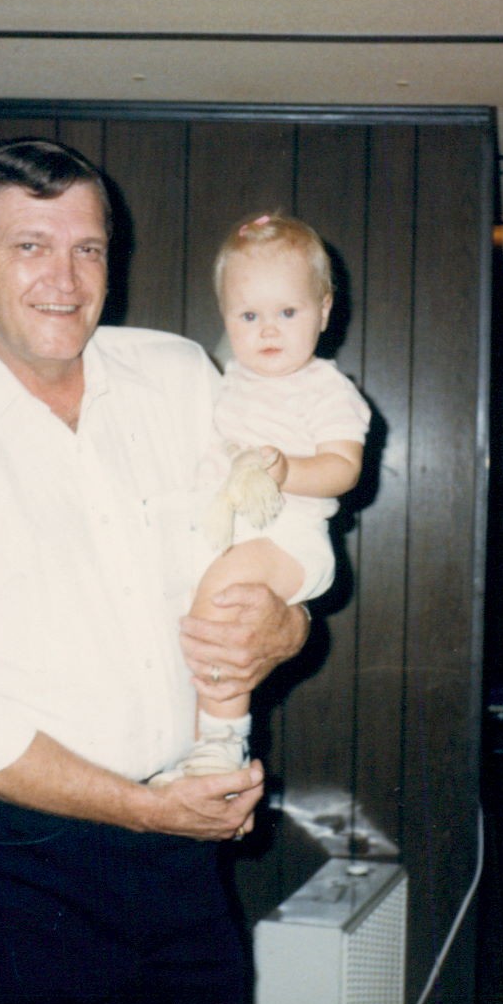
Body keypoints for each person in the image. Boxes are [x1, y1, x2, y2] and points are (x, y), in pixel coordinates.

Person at [0, 138, 318, 1004]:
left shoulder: (180, 376)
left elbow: (280, 532)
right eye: (30, 245)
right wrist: (145, 810)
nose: (64, 279)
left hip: (185, 855)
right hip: (22, 872)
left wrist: (286, 626)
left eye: (88, 248)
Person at [155, 213, 370, 781]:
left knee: (224, 602)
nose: (268, 331)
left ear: (324, 310)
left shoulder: (325, 389)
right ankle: (189, 746)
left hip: (288, 537)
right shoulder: (229, 381)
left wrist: (287, 470)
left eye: (288, 313)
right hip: (228, 528)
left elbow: (344, 469)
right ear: (226, 316)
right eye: (249, 316)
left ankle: (224, 741)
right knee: (189, 607)